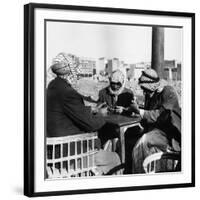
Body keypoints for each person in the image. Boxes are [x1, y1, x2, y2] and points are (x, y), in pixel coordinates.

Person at [47, 52, 121, 175]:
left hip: (53, 152)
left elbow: (68, 112)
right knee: (114, 158)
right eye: (76, 70)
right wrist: (101, 115)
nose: (78, 74)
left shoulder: (53, 86)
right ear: (70, 71)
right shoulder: (68, 92)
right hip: (71, 155)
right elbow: (92, 125)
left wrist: (92, 110)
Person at [131, 69, 181, 174]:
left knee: (141, 143)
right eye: (143, 89)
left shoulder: (168, 92)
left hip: (171, 135)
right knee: (136, 141)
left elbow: (160, 116)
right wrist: (134, 111)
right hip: (157, 132)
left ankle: (139, 175)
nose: (144, 92)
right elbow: (148, 116)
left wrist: (140, 111)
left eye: (146, 90)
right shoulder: (150, 95)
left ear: (153, 86)